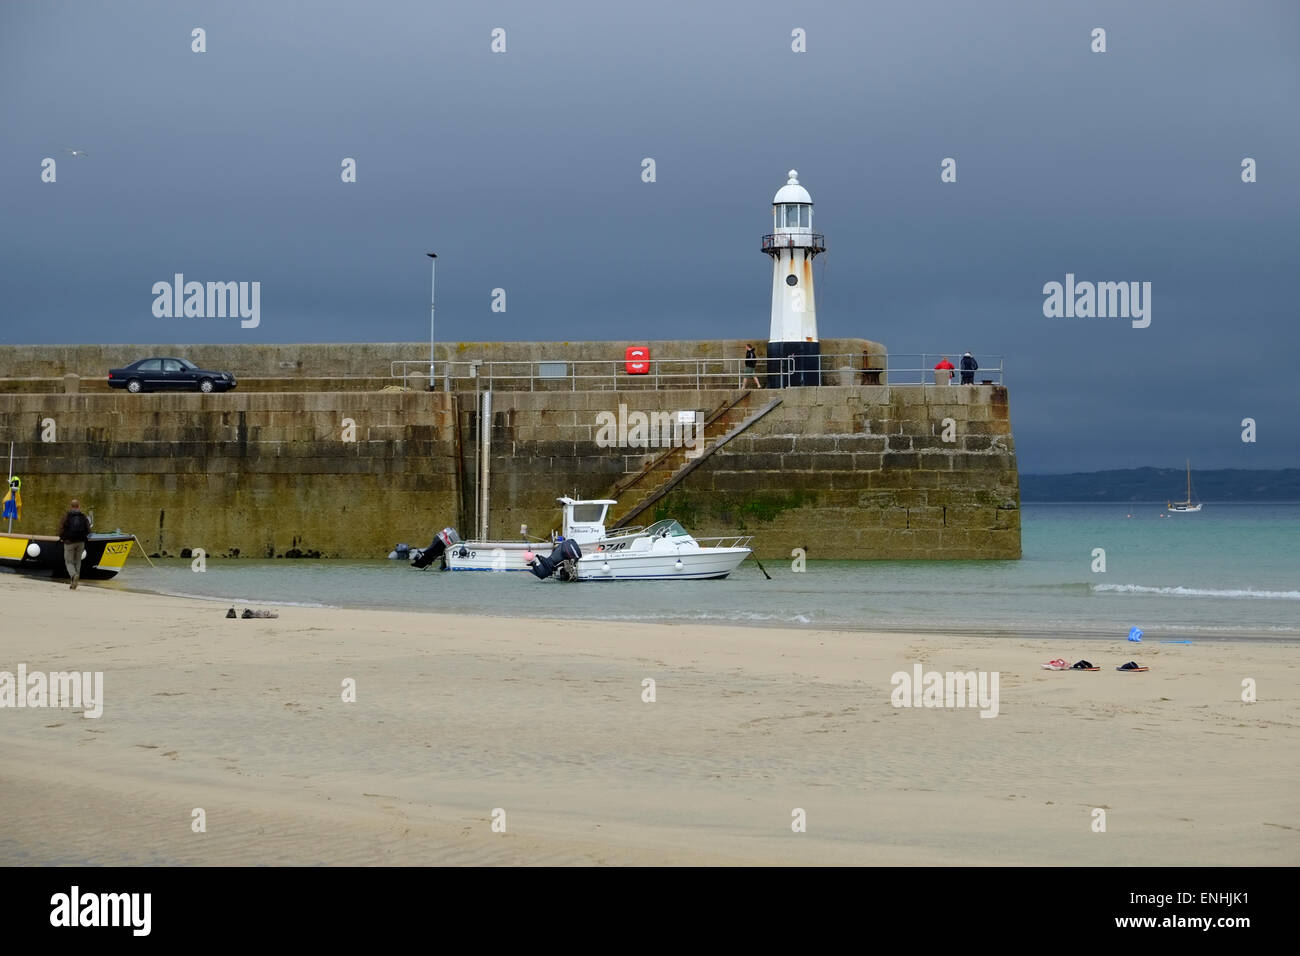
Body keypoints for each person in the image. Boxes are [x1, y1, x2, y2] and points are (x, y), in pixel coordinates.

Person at [58, 498, 92, 590]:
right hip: (81, 542)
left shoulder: (66, 516)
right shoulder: (83, 517)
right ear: (79, 506)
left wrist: (62, 538)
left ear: (70, 506)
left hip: (69, 543)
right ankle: (74, 581)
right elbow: (89, 530)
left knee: (69, 562)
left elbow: (61, 529)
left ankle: (73, 576)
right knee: (78, 561)